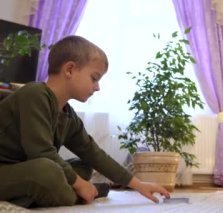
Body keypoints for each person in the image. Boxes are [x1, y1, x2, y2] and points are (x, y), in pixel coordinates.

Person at [0, 35, 170, 208]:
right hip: (9, 170)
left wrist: (138, 184)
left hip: (25, 169)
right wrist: (80, 184)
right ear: (69, 70)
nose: (97, 87)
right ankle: (75, 194)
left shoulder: (68, 115)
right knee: (47, 171)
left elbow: (93, 152)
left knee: (84, 165)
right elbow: (41, 152)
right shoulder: (34, 94)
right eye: (94, 78)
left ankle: (38, 195)